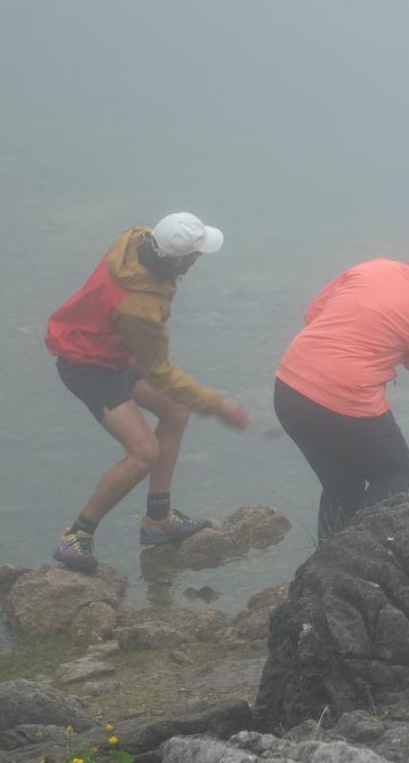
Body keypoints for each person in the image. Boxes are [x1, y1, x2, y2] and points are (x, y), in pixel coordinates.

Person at [45, 212, 257, 573]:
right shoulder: (139, 306)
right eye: (196, 253)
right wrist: (219, 406)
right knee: (143, 452)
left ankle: (159, 519)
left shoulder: (135, 238)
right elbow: (160, 371)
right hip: (86, 363)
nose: (200, 257)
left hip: (113, 348)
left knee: (175, 411)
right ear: (177, 258)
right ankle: (76, 536)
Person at [273, 222, 409, 540]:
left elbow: (313, 313)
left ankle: (325, 563)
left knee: (341, 484)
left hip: (289, 388)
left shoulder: (373, 267)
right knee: (395, 471)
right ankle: (357, 555)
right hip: (347, 401)